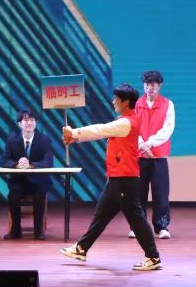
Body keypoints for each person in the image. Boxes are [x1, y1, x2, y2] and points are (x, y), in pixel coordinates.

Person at [59, 84, 162, 271]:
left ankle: (153, 257)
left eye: (116, 99)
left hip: (125, 180)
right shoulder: (125, 120)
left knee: (136, 219)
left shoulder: (126, 123)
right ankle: (81, 248)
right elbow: (103, 131)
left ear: (126, 102)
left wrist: (74, 133)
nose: (113, 102)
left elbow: (101, 130)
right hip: (117, 178)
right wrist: (76, 138)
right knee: (101, 216)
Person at [131, 70, 175, 240]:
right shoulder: (136, 104)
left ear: (159, 85)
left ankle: (161, 226)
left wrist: (149, 143)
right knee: (138, 193)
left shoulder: (167, 104)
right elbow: (132, 126)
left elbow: (167, 129)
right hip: (139, 155)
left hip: (158, 156)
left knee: (160, 193)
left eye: (153, 85)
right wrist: (141, 144)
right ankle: (137, 227)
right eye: (147, 85)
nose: (149, 88)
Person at [0, 109, 54, 240]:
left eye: (31, 120)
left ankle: (38, 231)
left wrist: (31, 165)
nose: (29, 123)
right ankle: (15, 231)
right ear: (19, 123)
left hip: (39, 181)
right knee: (13, 195)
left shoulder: (45, 140)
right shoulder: (12, 140)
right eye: (25, 120)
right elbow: (3, 161)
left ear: (36, 123)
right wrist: (17, 164)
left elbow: (48, 161)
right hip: (19, 181)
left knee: (40, 195)